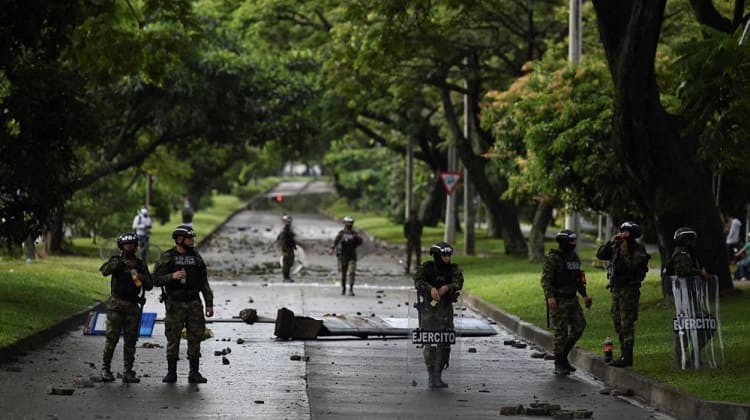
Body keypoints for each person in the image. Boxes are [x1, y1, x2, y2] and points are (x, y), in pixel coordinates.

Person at [153, 225, 214, 384]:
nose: (192, 241)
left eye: (192, 238)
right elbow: (155, 279)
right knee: (173, 337)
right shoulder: (167, 257)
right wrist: (171, 277)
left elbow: (204, 283)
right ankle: (171, 372)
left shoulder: (197, 258)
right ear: (180, 240)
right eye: (189, 238)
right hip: (175, 303)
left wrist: (209, 304)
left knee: (196, 337)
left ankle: (194, 372)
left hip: (194, 302)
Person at [98, 232, 153, 383]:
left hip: (132, 307)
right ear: (121, 246)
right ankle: (105, 369)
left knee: (130, 341)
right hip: (116, 305)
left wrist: (143, 277)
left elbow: (149, 285)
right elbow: (104, 270)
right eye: (126, 244)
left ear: (135, 246)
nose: (129, 247)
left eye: (132, 244)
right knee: (112, 339)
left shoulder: (140, 264)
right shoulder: (116, 260)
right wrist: (122, 264)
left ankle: (128, 371)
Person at [596, 221, 650, 368]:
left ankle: (628, 357)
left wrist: (626, 253)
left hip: (629, 290)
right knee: (617, 321)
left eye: (627, 232)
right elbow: (600, 254)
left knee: (627, 323)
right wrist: (610, 242)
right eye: (623, 231)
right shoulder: (616, 247)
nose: (624, 234)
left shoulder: (638, 249)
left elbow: (634, 267)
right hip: (616, 289)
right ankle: (623, 354)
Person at [541, 229, 592, 375]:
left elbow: (578, 279)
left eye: (575, 241)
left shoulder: (574, 258)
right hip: (558, 300)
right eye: (571, 241)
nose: (574, 244)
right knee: (561, 332)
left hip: (572, 299)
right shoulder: (553, 258)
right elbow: (545, 280)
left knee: (579, 326)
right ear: (563, 242)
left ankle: (563, 356)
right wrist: (550, 297)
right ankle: (559, 363)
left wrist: (584, 295)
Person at [414, 242, 463, 389]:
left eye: (449, 255)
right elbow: (418, 281)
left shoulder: (453, 269)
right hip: (428, 309)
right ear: (437, 255)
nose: (447, 258)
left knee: (445, 341)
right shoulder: (427, 267)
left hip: (445, 309)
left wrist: (447, 287)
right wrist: (431, 289)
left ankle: (438, 375)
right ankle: (431, 376)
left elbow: (459, 282)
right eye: (444, 255)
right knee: (429, 340)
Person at [329, 216, 363, 296]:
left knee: (352, 272)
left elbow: (359, 243)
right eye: (348, 222)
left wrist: (359, 239)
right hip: (343, 255)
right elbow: (335, 242)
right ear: (344, 223)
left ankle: (351, 289)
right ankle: (343, 288)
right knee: (343, 273)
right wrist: (332, 249)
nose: (349, 224)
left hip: (352, 256)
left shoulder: (355, 234)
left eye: (351, 223)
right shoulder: (341, 233)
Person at [276, 214, 298, 282]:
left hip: (290, 248)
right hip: (286, 248)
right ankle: (286, 277)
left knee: (290, 262)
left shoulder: (288, 229)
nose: (288, 222)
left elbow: (291, 239)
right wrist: (284, 250)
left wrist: (294, 246)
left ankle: (287, 277)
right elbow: (282, 241)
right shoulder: (284, 231)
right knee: (286, 263)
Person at [403, 210, 423, 274]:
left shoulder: (419, 223)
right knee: (409, 255)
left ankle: (418, 268)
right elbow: (405, 234)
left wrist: (416, 235)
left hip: (417, 240)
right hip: (410, 240)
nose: (412, 217)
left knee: (418, 255)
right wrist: (409, 236)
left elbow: (420, 232)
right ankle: (408, 268)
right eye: (411, 215)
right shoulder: (407, 224)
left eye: (413, 215)